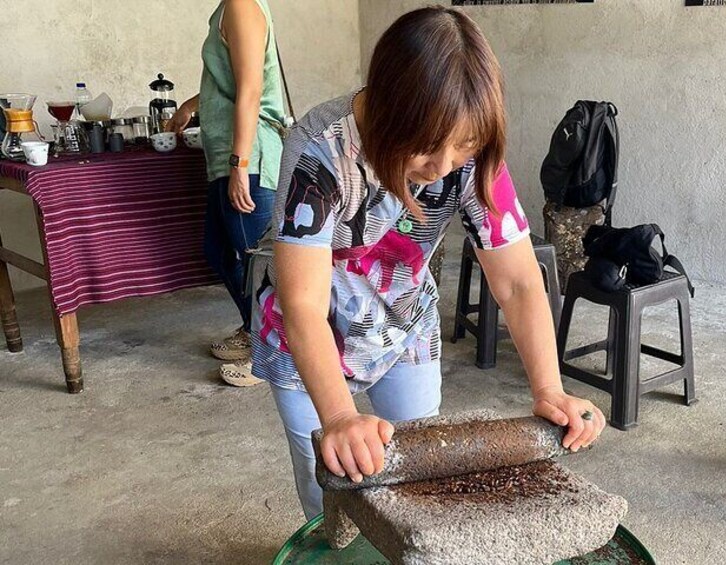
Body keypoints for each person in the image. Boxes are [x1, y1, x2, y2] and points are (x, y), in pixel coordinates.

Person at [252, 6, 605, 520]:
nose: (441, 170)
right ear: (389, 110)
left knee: (426, 479)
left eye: (460, 149)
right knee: (331, 486)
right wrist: (339, 416)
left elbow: (519, 283)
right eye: (424, 149)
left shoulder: (471, 155)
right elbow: (301, 302)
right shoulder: (319, 151)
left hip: (403, 327)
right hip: (309, 341)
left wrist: (549, 388)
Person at [169, 0, 288, 386]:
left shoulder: (241, 6)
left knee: (260, 265)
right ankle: (254, 330)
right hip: (228, 156)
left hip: (247, 158)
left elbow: (251, 89)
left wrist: (240, 165)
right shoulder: (229, 8)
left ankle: (273, 350)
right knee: (218, 250)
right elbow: (233, 79)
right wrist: (191, 104)